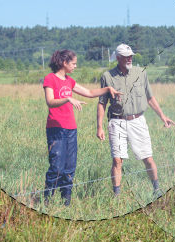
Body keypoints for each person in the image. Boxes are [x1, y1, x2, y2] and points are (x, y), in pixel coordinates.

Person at [43, 49, 122, 206]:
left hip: (71, 128)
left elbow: (90, 92)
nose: (75, 66)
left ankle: (66, 203)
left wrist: (107, 89)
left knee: (69, 168)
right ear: (64, 63)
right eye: (74, 63)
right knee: (56, 167)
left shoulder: (69, 81)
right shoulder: (50, 79)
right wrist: (67, 99)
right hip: (56, 128)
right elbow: (50, 101)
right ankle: (46, 201)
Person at [97, 44, 175, 198]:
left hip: (138, 121)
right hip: (117, 122)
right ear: (118, 58)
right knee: (117, 160)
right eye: (126, 56)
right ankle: (117, 196)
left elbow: (150, 97)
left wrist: (163, 116)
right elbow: (102, 103)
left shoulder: (141, 73)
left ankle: (157, 190)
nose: (130, 58)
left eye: (131, 55)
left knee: (147, 157)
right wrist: (99, 127)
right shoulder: (107, 76)